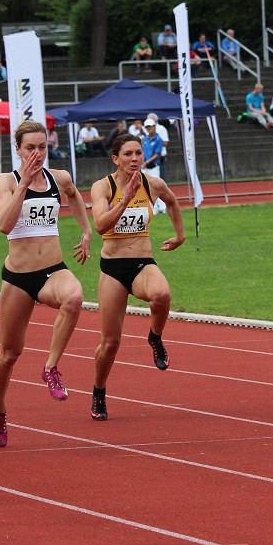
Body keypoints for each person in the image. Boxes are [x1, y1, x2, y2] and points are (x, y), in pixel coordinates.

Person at [0, 120, 93, 447]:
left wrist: (86, 231)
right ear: (17, 149)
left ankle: (51, 368)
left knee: (75, 297)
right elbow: (4, 226)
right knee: (10, 352)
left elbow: (74, 195)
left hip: (52, 271)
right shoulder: (5, 181)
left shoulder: (58, 178)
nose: (37, 153)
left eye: (43, 147)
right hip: (19, 278)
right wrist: (24, 185)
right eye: (30, 147)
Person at [89, 133, 185, 420]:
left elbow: (172, 201)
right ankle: (99, 391)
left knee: (163, 294)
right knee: (110, 343)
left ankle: (154, 336)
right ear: (115, 158)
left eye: (138, 153)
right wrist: (124, 201)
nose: (135, 159)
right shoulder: (102, 187)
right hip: (113, 268)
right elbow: (100, 226)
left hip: (142, 261)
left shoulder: (152, 184)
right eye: (128, 154)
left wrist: (180, 235)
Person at [146, 113, 170, 184]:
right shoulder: (147, 129)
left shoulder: (161, 129)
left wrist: (156, 143)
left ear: (155, 120)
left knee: (161, 180)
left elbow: (165, 143)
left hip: (160, 157)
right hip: (149, 159)